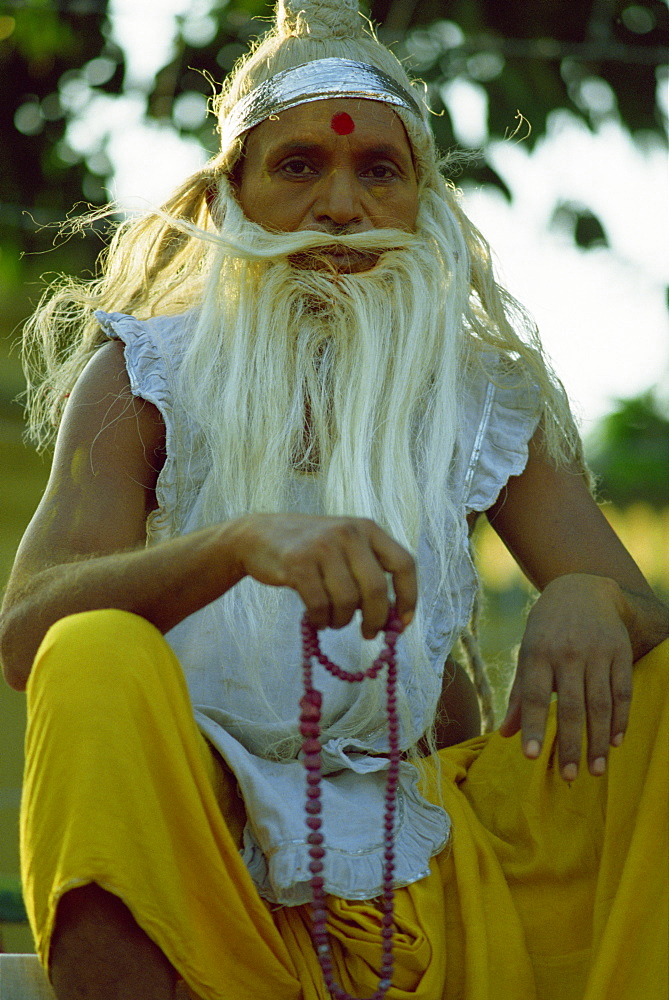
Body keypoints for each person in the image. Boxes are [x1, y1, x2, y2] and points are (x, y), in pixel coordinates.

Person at [1, 1, 667, 998]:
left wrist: (595, 600)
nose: (341, 208)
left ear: (421, 206)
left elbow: (646, 623)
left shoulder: (485, 394)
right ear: (232, 198)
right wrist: (236, 546)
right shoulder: (144, 375)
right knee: (89, 655)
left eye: (377, 171)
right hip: (202, 836)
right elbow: (21, 633)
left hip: (438, 848)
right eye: (299, 166)